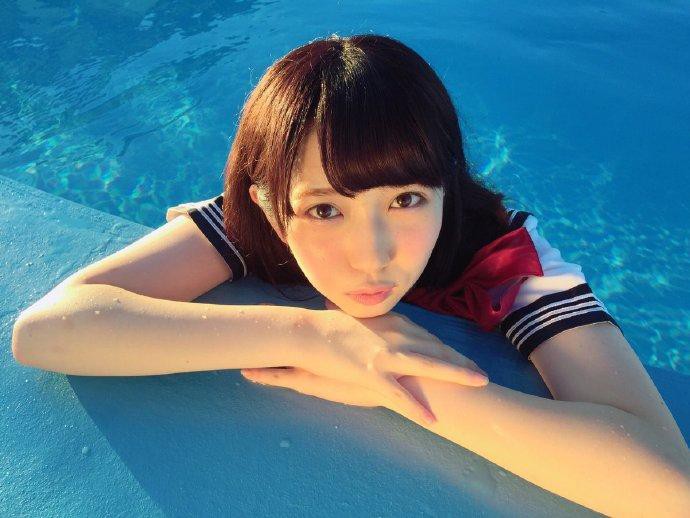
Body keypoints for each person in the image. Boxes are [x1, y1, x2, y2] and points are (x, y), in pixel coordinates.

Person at [12, 34, 689, 515]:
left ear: (446, 188)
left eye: (407, 199)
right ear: (269, 207)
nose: (372, 254)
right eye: (326, 209)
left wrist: (396, 382)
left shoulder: (503, 252)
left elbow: (669, 491)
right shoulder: (259, 218)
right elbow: (47, 331)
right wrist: (318, 338)